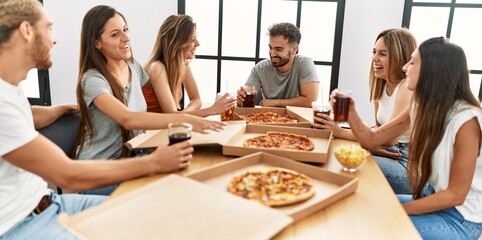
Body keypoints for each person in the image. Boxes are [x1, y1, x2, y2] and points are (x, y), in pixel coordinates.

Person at [0, 0, 202, 238]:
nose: (54, 39)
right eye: (50, 28)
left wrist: (62, 108)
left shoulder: (11, 92)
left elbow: (26, 115)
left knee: (154, 213)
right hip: (18, 223)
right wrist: (154, 162)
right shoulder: (4, 103)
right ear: (26, 30)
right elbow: (68, 176)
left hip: (48, 203)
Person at [73, 6, 224, 196]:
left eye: (125, 29)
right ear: (97, 43)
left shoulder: (134, 68)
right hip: (100, 169)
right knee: (169, 194)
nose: (126, 38)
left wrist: (182, 63)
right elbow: (129, 118)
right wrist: (186, 119)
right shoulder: (93, 80)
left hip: (133, 158)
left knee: (193, 177)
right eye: (115, 34)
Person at [341, 37, 482, 239]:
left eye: (413, 62)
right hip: (430, 196)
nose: (405, 67)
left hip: (460, 219)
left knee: (377, 228)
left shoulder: (467, 120)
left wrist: (397, 212)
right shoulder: (420, 106)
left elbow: (455, 195)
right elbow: (371, 140)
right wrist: (351, 112)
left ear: (432, 70)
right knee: (362, 209)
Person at [315, 28, 417, 194]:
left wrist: (341, 132)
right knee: (335, 155)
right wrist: (371, 145)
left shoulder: (406, 87)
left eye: (382, 54)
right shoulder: (381, 85)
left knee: (338, 163)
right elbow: (378, 131)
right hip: (389, 153)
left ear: (400, 57)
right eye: (374, 52)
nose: (374, 58)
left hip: (406, 164)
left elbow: (388, 140)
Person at [143, 14, 235, 116]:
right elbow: (171, 116)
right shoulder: (157, 68)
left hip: (166, 128)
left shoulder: (183, 64)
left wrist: (182, 115)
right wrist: (211, 110)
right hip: (151, 131)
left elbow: (196, 100)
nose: (198, 43)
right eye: (192, 39)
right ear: (177, 43)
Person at [237, 22, 319, 108]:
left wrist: (274, 102)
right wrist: (242, 96)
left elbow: (311, 101)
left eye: (278, 49)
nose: (272, 54)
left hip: (298, 119)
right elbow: (248, 91)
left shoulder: (304, 64)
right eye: (270, 48)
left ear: (294, 49)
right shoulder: (260, 68)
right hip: (268, 118)